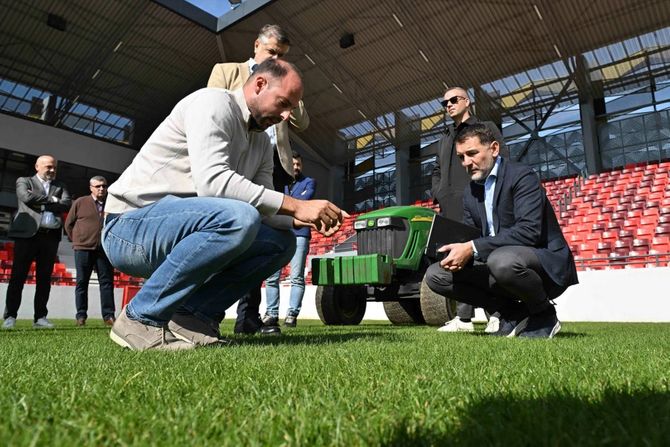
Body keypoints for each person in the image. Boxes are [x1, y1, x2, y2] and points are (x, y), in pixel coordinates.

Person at [102, 59, 347, 351]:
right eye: (283, 103)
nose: (284, 116)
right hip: (128, 227)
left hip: (179, 228)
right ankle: (140, 319)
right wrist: (296, 205)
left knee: (281, 243)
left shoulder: (261, 145)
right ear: (259, 84)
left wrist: (302, 219)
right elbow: (213, 183)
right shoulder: (212, 103)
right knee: (239, 217)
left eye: (290, 109)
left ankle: (192, 317)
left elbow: (264, 209)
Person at [425, 124, 578, 339]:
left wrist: (472, 247)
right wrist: (454, 251)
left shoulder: (522, 176)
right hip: (499, 264)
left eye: (472, 153)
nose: (466, 163)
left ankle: (544, 314)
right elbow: (473, 237)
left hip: (542, 264)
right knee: (436, 275)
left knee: (501, 260)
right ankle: (513, 314)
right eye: (461, 157)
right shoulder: (470, 192)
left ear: (494, 149)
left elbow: (529, 231)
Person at [207, 24, 310, 335]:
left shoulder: (287, 83)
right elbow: (213, 106)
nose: (276, 58)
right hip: (232, 159)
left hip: (272, 163)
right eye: (272, 52)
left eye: (281, 55)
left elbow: (303, 122)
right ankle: (206, 312)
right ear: (256, 46)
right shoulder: (226, 71)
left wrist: (288, 101)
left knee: (261, 234)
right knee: (228, 230)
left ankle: (249, 317)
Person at [431, 87, 506, 333]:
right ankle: (463, 318)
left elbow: (500, 157)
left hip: (479, 197)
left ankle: (496, 313)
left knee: (483, 255)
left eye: (454, 100)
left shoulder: (485, 128)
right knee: (457, 259)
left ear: (467, 101)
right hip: (450, 205)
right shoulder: (444, 138)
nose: (449, 105)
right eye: (445, 103)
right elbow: (436, 170)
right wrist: (438, 192)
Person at [2, 155, 71, 329]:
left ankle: (40, 317)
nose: (52, 170)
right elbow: (26, 198)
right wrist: (52, 200)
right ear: (37, 166)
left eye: (54, 167)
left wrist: (43, 201)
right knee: (18, 276)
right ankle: (10, 316)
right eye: (49, 167)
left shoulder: (60, 185)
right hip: (27, 235)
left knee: (44, 279)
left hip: (50, 237)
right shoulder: (24, 181)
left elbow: (66, 203)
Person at [262, 152, 315, 327]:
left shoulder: (309, 182)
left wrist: (283, 203)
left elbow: (303, 202)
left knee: (297, 277)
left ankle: (292, 315)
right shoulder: (279, 183)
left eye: (299, 164)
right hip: (279, 230)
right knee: (271, 277)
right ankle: (271, 313)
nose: (296, 167)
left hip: (300, 234)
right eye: (293, 164)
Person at [64, 176, 116, 326]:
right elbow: (69, 224)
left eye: (104, 186)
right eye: (98, 186)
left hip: (104, 250)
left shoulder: (112, 204)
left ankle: (109, 316)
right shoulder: (80, 202)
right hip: (83, 249)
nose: (102, 189)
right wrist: (78, 240)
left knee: (106, 283)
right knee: (82, 282)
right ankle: (81, 316)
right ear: (91, 188)